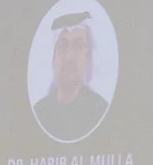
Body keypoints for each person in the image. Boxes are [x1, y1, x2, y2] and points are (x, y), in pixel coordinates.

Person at [34, 10, 111, 142]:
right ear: (53, 58)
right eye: (63, 46)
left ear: (88, 58)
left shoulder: (99, 110)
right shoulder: (39, 112)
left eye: (78, 46)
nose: (69, 56)